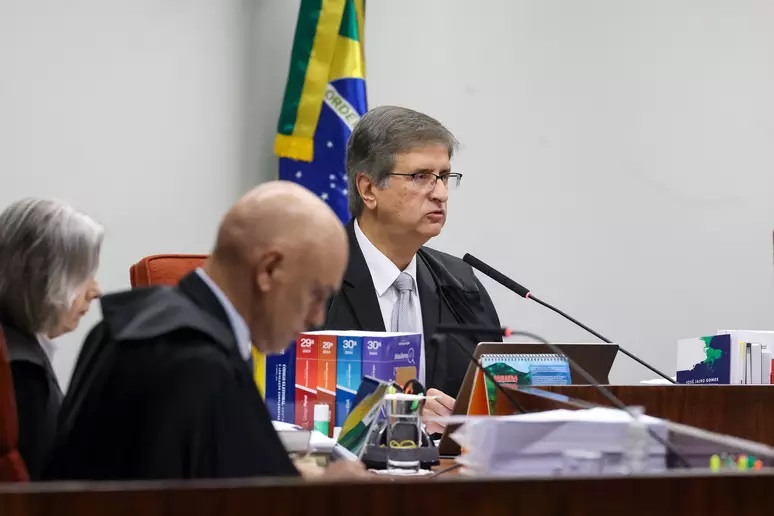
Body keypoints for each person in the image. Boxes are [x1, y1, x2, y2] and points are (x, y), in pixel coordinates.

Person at [46, 181, 368, 480]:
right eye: (316, 294)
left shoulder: (125, 322)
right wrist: (324, 493)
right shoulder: (199, 364)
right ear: (268, 270)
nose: (317, 316)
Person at [323, 106, 502, 434]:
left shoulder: (462, 284)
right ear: (368, 189)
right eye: (421, 177)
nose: (441, 194)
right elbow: (290, 403)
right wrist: (397, 416)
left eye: (445, 177)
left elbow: (493, 397)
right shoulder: (313, 280)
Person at [0, 198, 103, 480]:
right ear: (44, 278)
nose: (97, 290)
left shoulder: (13, 348)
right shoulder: (23, 373)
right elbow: (54, 488)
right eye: (85, 275)